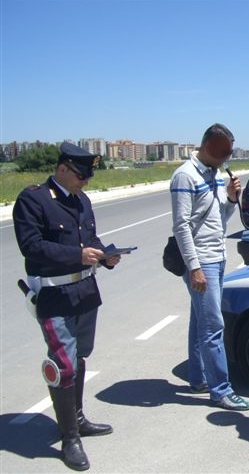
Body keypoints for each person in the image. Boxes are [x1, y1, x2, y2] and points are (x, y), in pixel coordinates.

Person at [13, 142, 121, 471]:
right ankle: (69, 437)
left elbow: (91, 239)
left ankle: (78, 418)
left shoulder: (82, 201)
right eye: (80, 175)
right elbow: (31, 247)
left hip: (85, 292)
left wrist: (108, 255)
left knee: (80, 356)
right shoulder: (34, 199)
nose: (86, 181)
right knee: (64, 365)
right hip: (54, 296)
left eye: (88, 176)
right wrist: (78, 256)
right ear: (62, 169)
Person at [170, 123, 249, 411]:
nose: (225, 162)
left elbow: (220, 217)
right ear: (207, 147)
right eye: (222, 155)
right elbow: (181, 226)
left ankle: (198, 378)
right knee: (214, 325)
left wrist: (231, 198)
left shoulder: (215, 175)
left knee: (199, 321)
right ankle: (221, 390)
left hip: (216, 256)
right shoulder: (185, 176)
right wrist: (194, 267)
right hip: (200, 260)